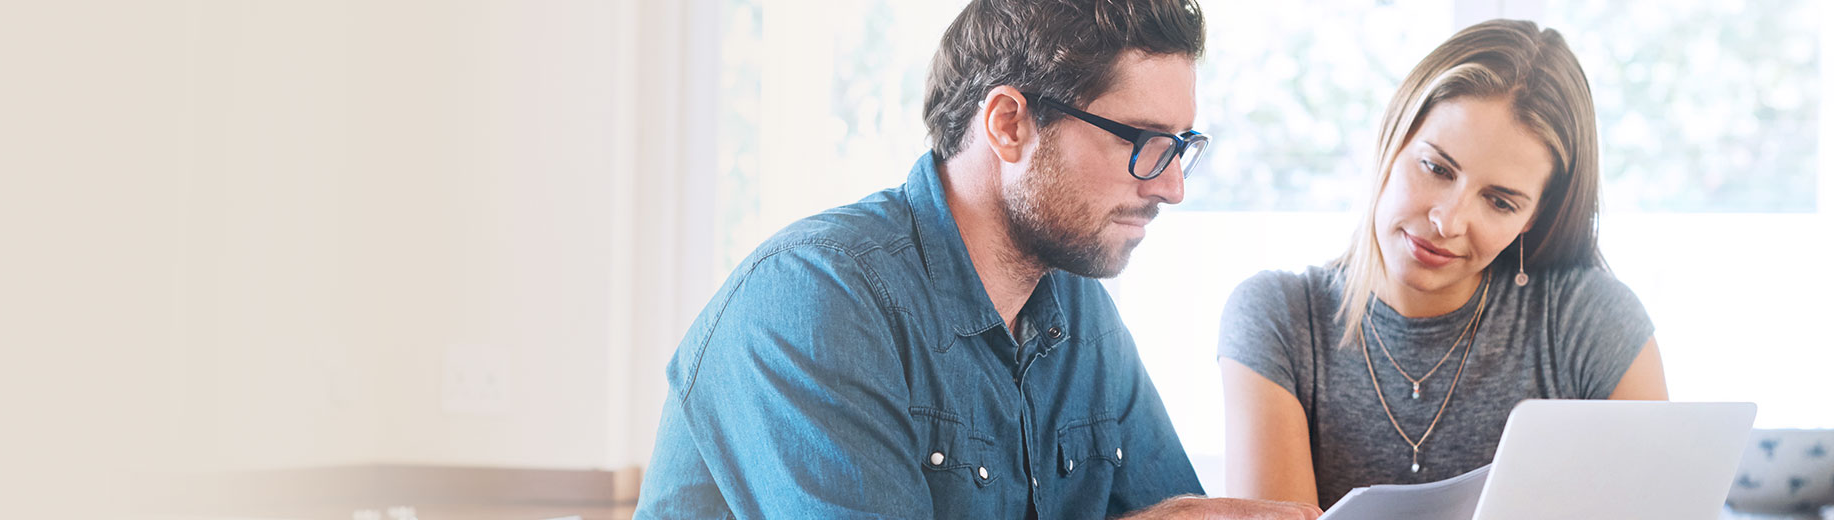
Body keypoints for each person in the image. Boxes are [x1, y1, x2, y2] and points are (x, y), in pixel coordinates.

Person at [636, 0, 1321, 518]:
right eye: (1141, 140)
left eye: (1180, 147)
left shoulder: (1081, 315)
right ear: (1008, 124)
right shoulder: (810, 297)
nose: (1171, 185)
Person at [1216, 19, 1670, 509]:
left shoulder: (1590, 322)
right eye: (1436, 168)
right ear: (1394, 137)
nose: (1448, 221)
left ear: (1533, 218)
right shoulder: (1277, 319)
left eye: (1499, 202)